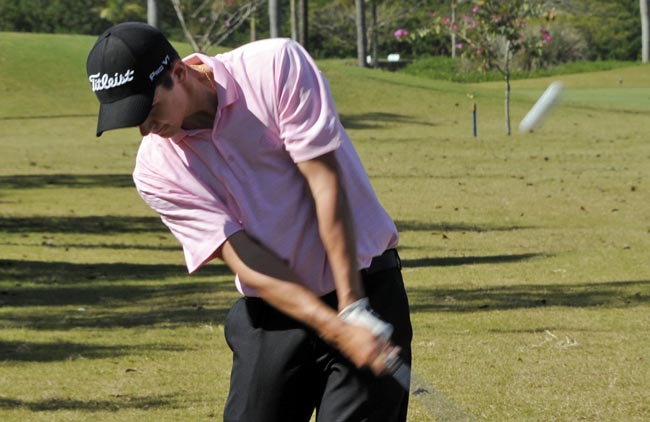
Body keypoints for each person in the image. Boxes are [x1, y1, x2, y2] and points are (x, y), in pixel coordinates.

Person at [86, 22, 412, 422]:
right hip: (274, 309)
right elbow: (244, 257)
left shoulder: (274, 66)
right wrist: (337, 327)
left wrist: (352, 308)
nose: (145, 128)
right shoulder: (155, 170)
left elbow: (325, 184)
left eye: (149, 110)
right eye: (130, 119)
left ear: (179, 72)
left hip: (363, 284)